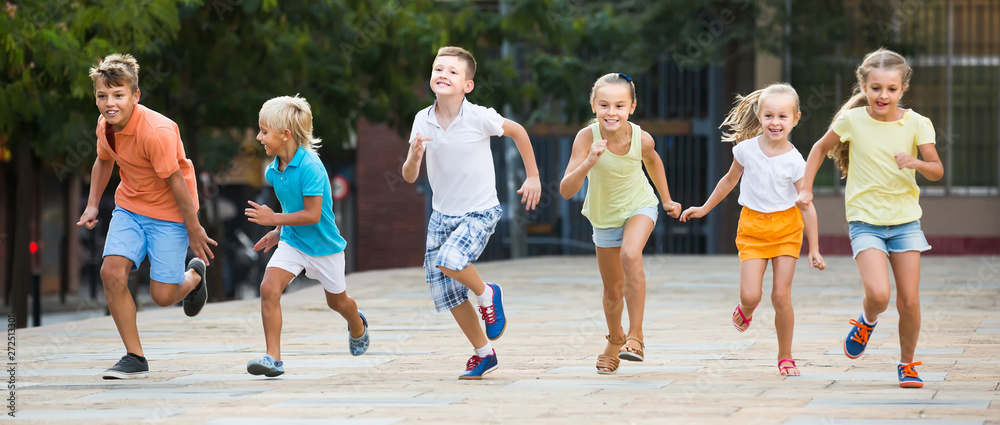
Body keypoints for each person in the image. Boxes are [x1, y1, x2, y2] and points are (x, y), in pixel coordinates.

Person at [796, 48, 943, 388]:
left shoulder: (918, 123)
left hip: (906, 223)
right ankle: (867, 319)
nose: (883, 95)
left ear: (903, 88)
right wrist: (807, 188)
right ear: (863, 85)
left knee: (909, 300)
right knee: (879, 295)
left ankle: (907, 364)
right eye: (875, 88)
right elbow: (819, 148)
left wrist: (916, 163)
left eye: (891, 89)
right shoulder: (852, 120)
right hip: (866, 222)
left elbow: (936, 170)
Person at [401, 46, 541, 380]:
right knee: (448, 294)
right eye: (438, 69)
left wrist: (533, 176)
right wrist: (415, 156)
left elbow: (518, 131)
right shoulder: (423, 120)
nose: (442, 75)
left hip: (479, 211)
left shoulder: (479, 116)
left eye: (452, 71)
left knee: (450, 259)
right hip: (441, 216)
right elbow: (408, 175)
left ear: (467, 85)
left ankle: (487, 293)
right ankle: (484, 353)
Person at [77, 53, 217, 379]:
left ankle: (194, 276)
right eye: (102, 96)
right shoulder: (105, 126)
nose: (110, 103)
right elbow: (103, 161)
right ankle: (135, 356)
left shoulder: (156, 132)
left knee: (163, 296)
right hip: (130, 207)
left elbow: (177, 183)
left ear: (135, 96)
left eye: (118, 95)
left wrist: (194, 229)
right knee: (111, 272)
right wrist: (93, 204)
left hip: (170, 213)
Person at [680, 83, 826, 376]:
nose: (775, 122)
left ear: (795, 118)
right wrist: (704, 208)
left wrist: (815, 248)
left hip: (786, 229)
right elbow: (728, 182)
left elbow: (806, 204)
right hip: (752, 228)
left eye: (783, 117)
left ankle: (785, 356)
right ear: (759, 116)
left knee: (781, 297)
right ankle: (745, 311)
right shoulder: (745, 150)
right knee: (751, 296)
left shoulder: (796, 160)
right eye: (769, 115)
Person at [559, 73, 682, 375]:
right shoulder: (586, 138)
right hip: (604, 218)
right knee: (612, 291)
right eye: (604, 105)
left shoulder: (642, 138)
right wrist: (588, 161)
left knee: (631, 254)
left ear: (632, 107)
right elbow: (565, 190)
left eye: (619, 105)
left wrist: (665, 199)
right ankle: (615, 339)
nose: (611, 112)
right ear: (593, 106)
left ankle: (636, 338)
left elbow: (653, 161)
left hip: (640, 206)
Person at [244, 95, 369, 377]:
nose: (259, 137)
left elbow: (312, 214)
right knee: (268, 288)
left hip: (324, 246)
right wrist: (278, 231)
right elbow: (291, 208)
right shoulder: (273, 170)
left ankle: (357, 324)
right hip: (293, 242)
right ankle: (272, 358)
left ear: (285, 134)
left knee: (337, 302)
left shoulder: (311, 167)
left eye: (264, 131)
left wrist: (274, 219)